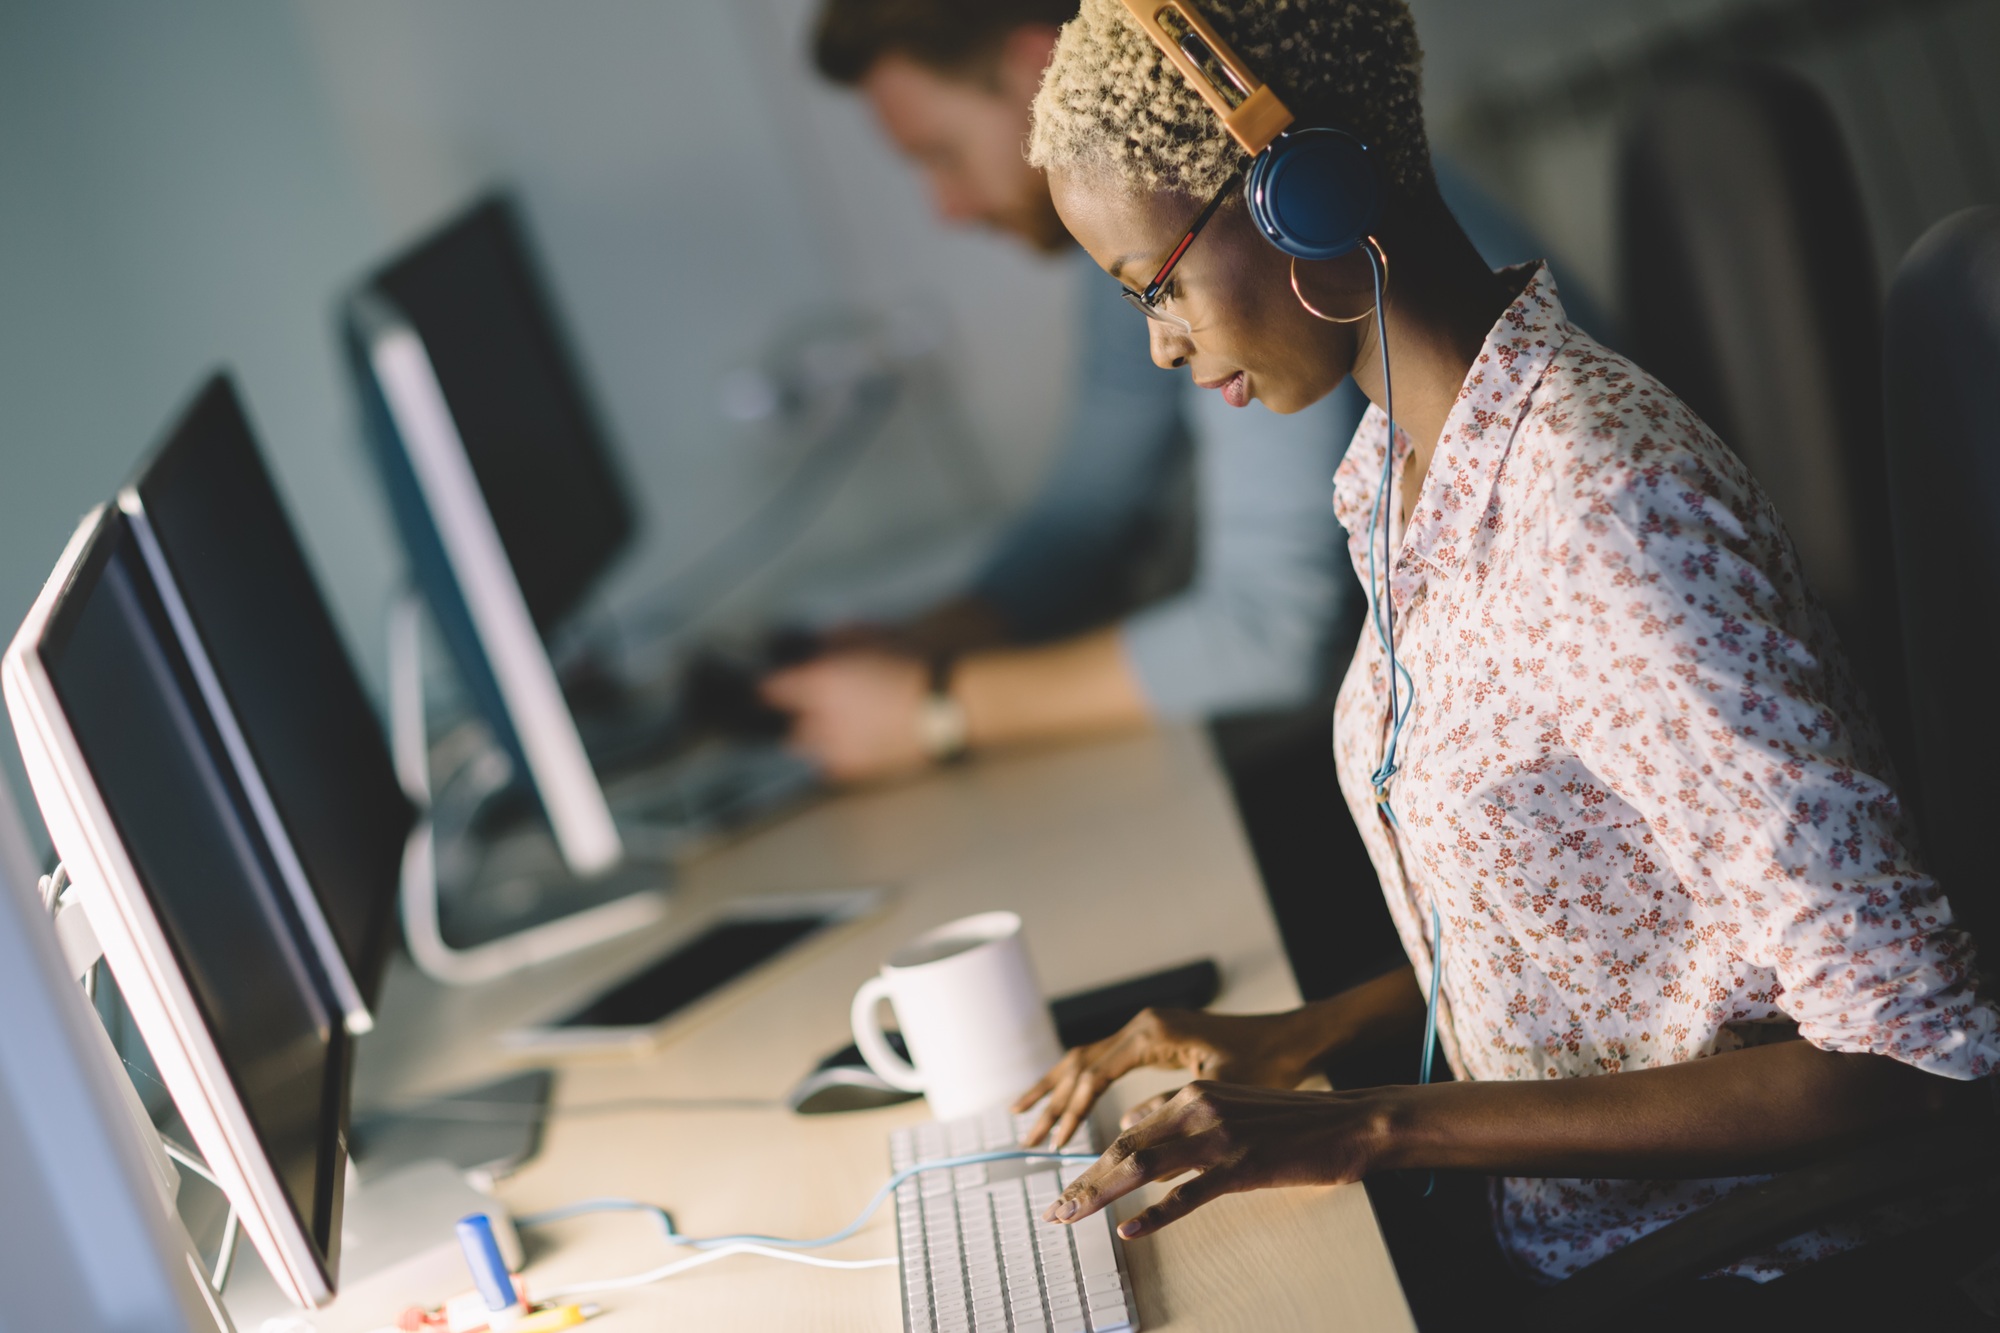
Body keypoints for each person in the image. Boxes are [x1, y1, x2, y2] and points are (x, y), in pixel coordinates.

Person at [1008, 0, 2000, 1312]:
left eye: (1157, 283)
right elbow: (1602, 906)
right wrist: (1314, 1036)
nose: (1161, 340)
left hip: (1727, 1273)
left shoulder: (1595, 507)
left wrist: (1368, 1123)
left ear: (1306, 203)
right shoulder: (1402, 469)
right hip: (1551, 1226)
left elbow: (1914, 1048)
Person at [763, 0, 1365, 783]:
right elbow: (1090, 507)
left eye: (942, 155)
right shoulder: (1142, 236)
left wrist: (931, 709)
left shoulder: (1240, 226)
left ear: (1038, 71)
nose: (947, 208)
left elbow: (1271, 632)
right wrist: (936, 638)